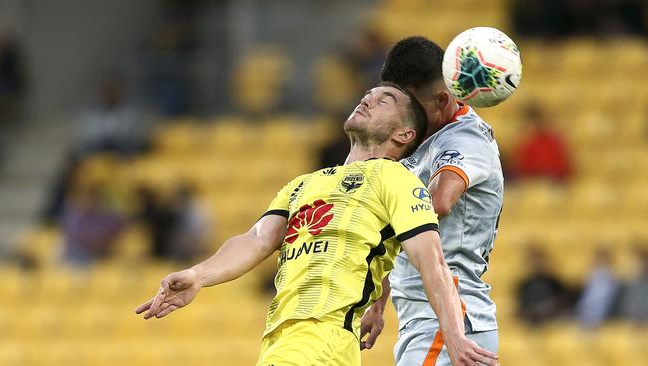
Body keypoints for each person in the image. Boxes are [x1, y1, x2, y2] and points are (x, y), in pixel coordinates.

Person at [136, 84, 499, 366]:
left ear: (403, 134)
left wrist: (453, 333)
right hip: (279, 343)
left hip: (322, 341)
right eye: (367, 95)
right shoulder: (304, 184)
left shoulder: (396, 181)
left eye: (383, 100)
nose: (367, 100)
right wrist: (199, 275)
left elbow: (431, 262)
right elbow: (257, 239)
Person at [360, 37, 504, 365]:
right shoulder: (416, 139)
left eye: (410, 107)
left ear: (441, 99)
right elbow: (396, 233)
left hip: (447, 321)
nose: (402, 115)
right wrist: (379, 303)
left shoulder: (465, 140)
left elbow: (439, 202)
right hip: (428, 319)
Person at [516, 244, 572, 325]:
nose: (537, 265)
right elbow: (521, 308)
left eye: (539, 260)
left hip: (552, 320)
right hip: (532, 321)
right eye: (533, 261)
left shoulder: (553, 281)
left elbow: (563, 301)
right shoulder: (524, 284)